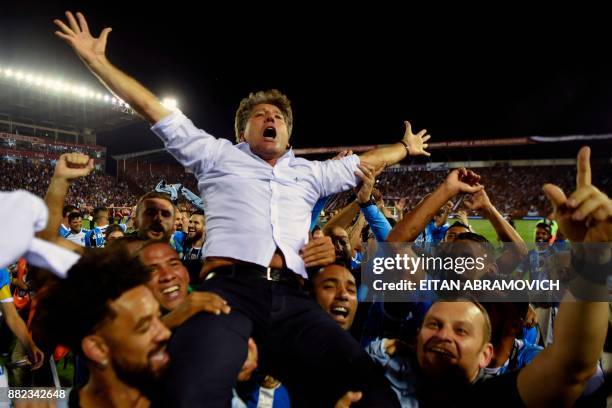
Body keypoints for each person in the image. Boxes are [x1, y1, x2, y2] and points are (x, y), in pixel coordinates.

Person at [54, 11, 432, 406]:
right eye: (260, 115)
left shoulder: (312, 173)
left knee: (372, 393)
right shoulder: (215, 155)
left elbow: (367, 163)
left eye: (279, 118)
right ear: (241, 132)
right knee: (194, 392)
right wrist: (97, 62)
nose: (271, 119)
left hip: (294, 296)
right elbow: (152, 109)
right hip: (229, 293)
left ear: (288, 134)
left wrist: (405, 148)